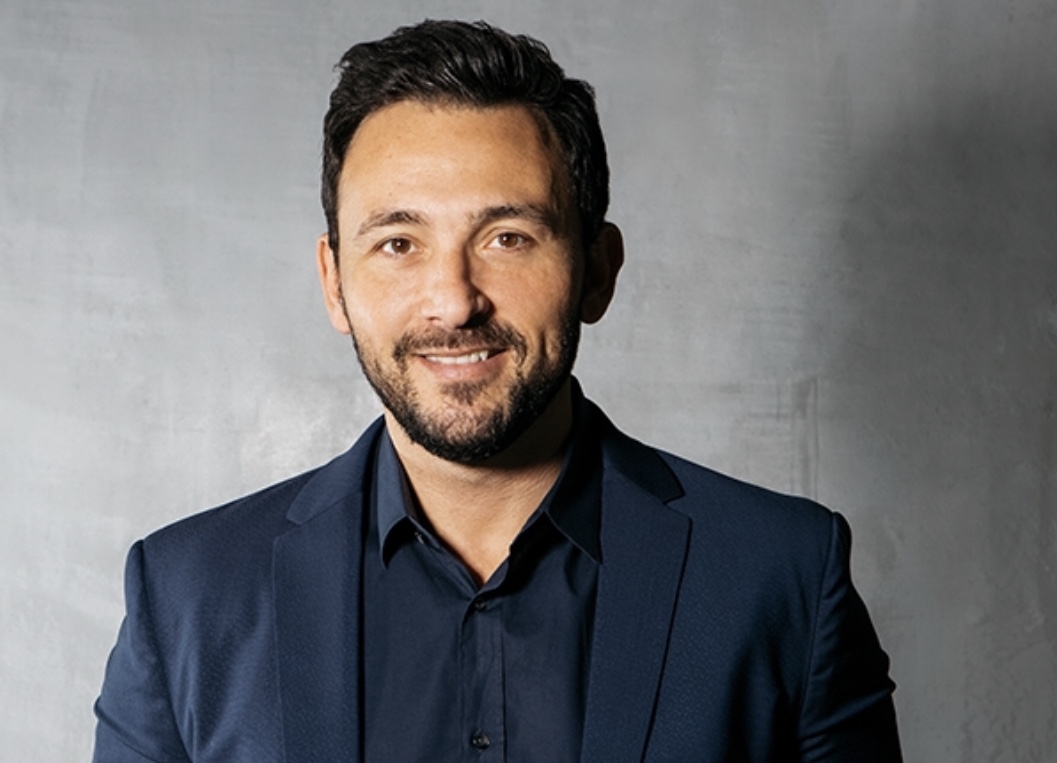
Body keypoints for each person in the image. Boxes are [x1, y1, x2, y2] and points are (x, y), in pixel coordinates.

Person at [92, 19, 901, 763]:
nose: (454, 302)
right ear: (334, 282)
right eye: (398, 242)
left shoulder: (784, 573)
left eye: (507, 238)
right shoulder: (186, 597)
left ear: (597, 269)